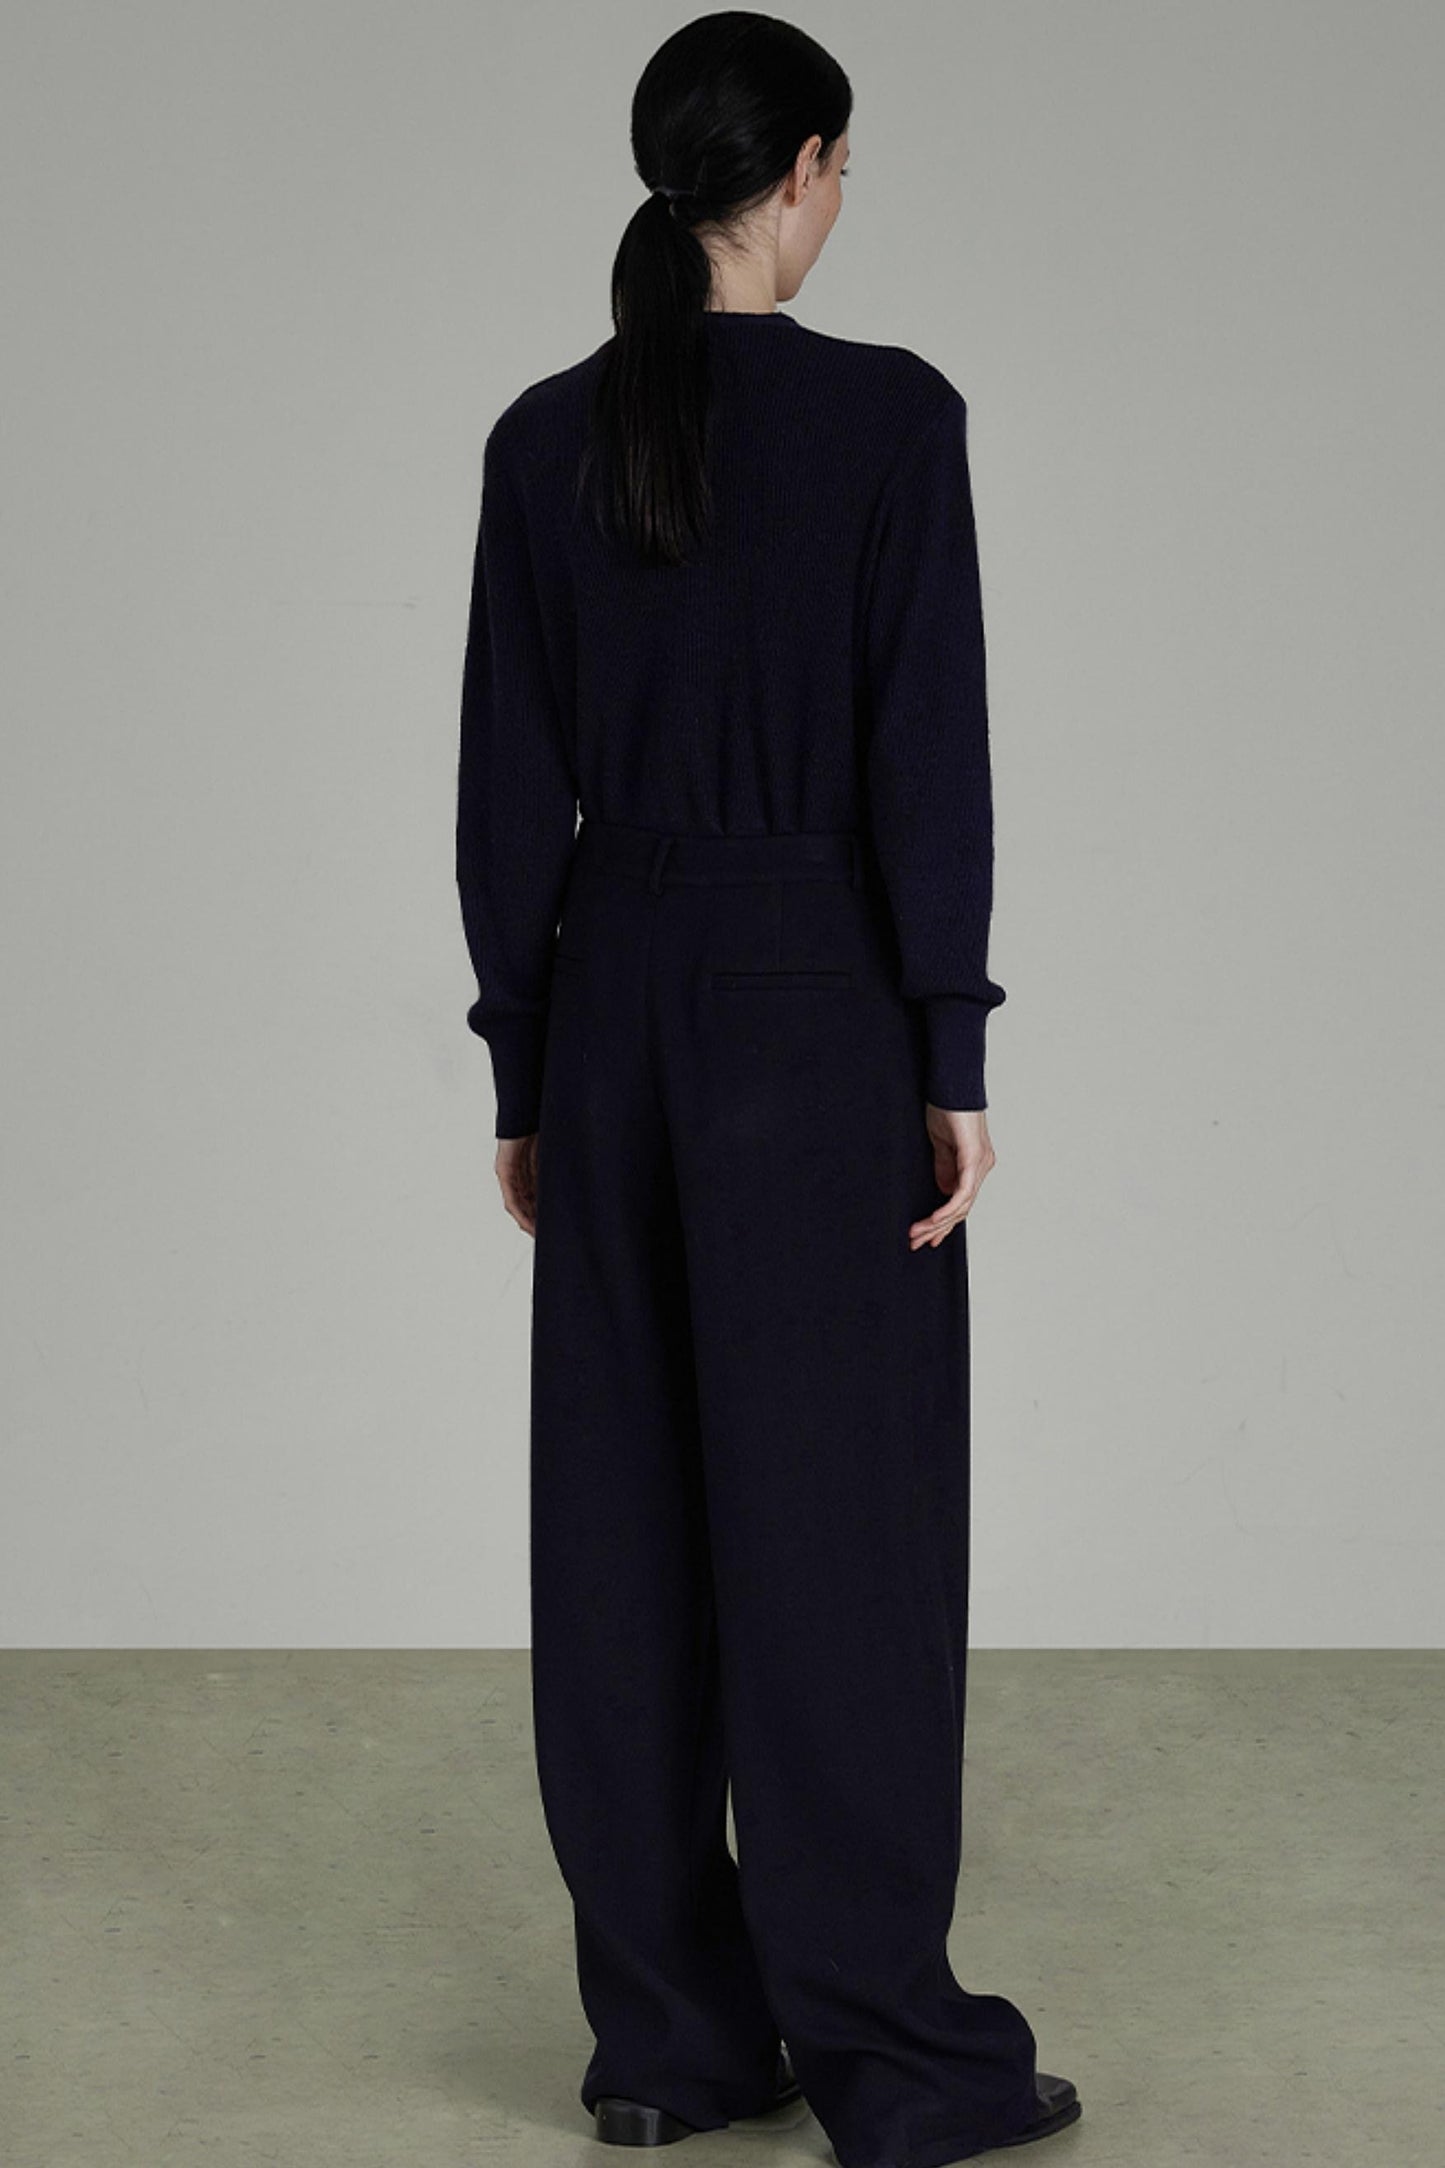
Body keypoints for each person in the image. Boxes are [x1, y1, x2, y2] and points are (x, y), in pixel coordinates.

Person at [454, 14, 1081, 2166]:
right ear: (802, 168)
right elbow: (927, 760)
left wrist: (527, 1064)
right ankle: (890, 2055)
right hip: (815, 1011)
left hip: (613, 997)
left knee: (621, 1526)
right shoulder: (892, 420)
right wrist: (949, 1045)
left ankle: (668, 2045)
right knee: (840, 1528)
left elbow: (504, 791)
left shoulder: (546, 436)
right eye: (843, 169)